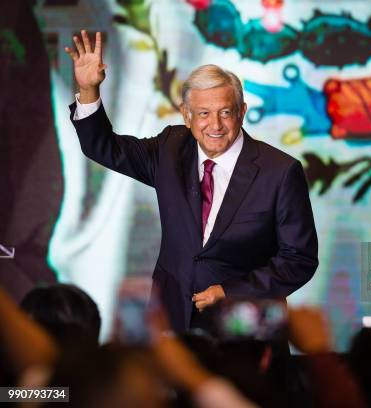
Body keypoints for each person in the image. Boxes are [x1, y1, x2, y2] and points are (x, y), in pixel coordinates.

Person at [63, 31, 318, 333]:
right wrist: (88, 90)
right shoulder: (170, 148)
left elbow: (298, 259)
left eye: (226, 112)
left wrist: (231, 292)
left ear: (242, 112)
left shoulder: (280, 171)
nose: (215, 125)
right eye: (204, 114)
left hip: (245, 333)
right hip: (174, 323)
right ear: (186, 115)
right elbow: (105, 148)